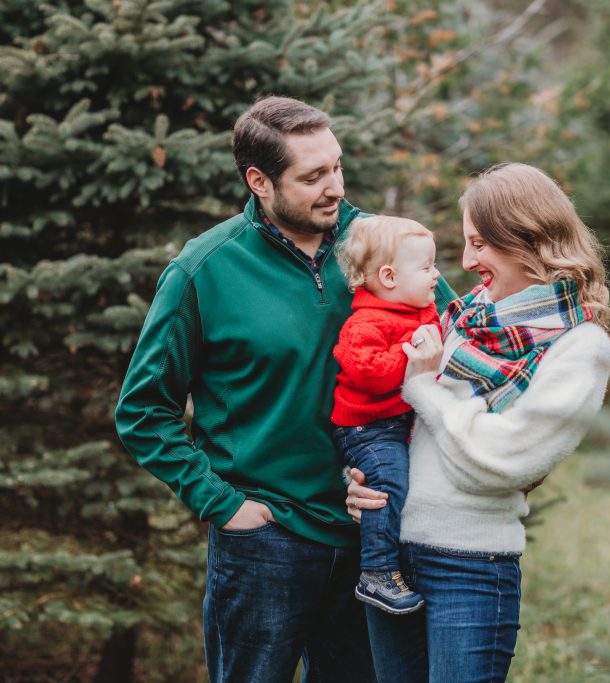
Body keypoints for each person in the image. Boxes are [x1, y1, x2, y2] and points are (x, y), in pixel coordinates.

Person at [114, 95, 456, 682]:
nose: (335, 188)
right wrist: (224, 506)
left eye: (338, 167)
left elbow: (460, 351)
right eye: (313, 176)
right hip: (264, 543)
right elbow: (143, 410)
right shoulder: (205, 269)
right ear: (259, 181)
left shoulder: (384, 248)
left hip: (374, 539)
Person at [347, 162, 610, 682]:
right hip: (392, 561)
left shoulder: (580, 346)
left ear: (526, 239)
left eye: (480, 244)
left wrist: (423, 387)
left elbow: (500, 459)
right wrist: (364, 481)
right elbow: (397, 427)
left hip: (470, 567)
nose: (467, 261)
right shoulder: (464, 317)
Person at [329, 215, 441, 615]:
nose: (436, 275)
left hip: (397, 424)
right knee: (386, 485)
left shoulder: (420, 312)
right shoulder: (367, 322)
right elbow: (369, 373)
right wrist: (415, 358)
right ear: (389, 277)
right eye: (427, 267)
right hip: (366, 428)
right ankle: (376, 572)